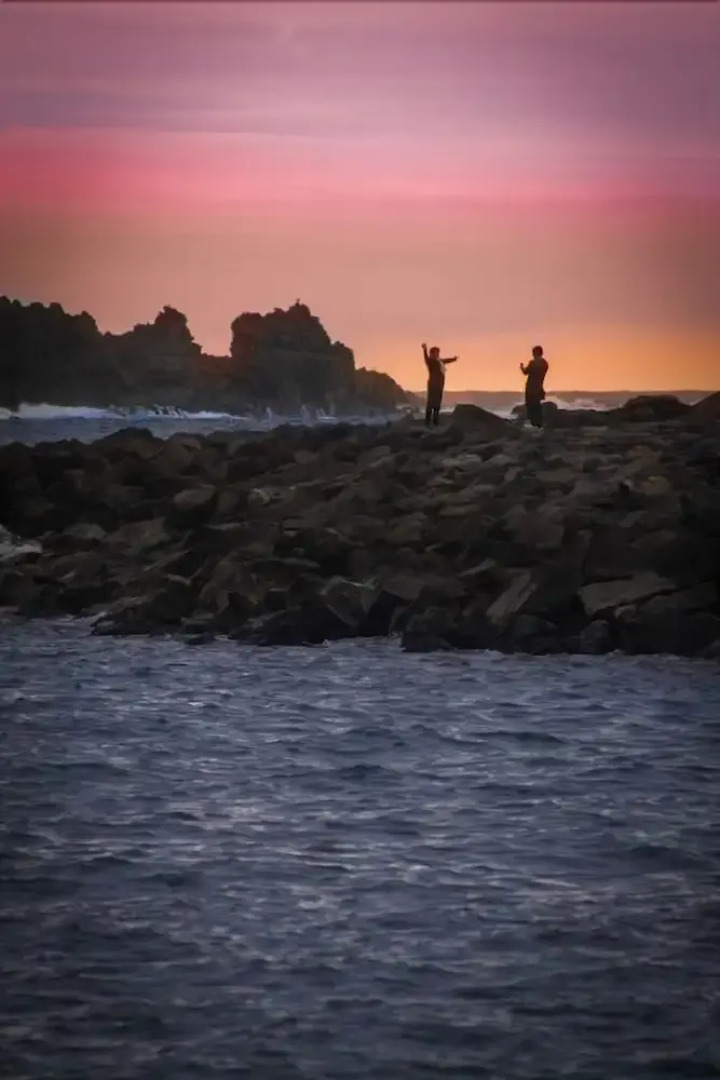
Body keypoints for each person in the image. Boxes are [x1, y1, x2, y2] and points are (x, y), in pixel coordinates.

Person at [422, 343, 458, 426]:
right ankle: (427, 422)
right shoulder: (431, 362)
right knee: (431, 403)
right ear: (432, 353)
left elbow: (446, 360)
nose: (437, 354)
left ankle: (435, 420)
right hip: (433, 385)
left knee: (437, 403)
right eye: (436, 352)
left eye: (438, 352)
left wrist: (454, 359)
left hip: (440, 385)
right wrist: (424, 349)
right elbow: (426, 358)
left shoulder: (439, 361)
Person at [520, 345, 549, 429]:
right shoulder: (545, 363)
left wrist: (521, 367)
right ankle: (539, 425)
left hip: (530, 388)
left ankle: (533, 425)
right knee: (537, 407)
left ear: (535, 353)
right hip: (539, 388)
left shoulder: (533, 362)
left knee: (530, 407)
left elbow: (525, 372)